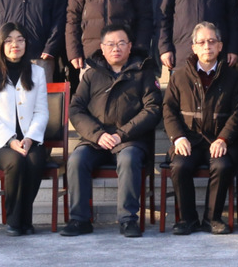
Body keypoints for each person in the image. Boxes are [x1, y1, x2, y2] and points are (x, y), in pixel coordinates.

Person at [61, 25, 162, 238]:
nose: (116, 48)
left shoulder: (143, 73)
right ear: (102, 48)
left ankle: (128, 220)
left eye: (121, 43)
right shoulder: (91, 75)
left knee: (128, 159)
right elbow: (76, 109)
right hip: (96, 140)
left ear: (130, 47)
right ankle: (80, 219)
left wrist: (121, 134)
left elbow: (152, 109)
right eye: (110, 44)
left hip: (129, 140)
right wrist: (97, 134)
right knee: (77, 160)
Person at [162, 22, 238, 235]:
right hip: (189, 139)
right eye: (202, 42)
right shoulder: (179, 76)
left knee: (222, 166)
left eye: (212, 41)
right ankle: (187, 219)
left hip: (218, 141)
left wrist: (224, 138)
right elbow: (168, 110)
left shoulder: (233, 77)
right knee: (180, 166)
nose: (207, 46)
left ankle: (211, 218)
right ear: (194, 48)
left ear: (220, 46)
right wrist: (178, 137)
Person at [0, 22, 49, 236]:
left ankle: (24, 218)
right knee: (15, 161)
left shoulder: (37, 72)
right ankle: (15, 220)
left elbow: (41, 112)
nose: (14, 45)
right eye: (8, 40)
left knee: (35, 160)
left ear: (26, 44)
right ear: (1, 44)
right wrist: (11, 140)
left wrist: (29, 138)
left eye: (20, 40)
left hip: (29, 140)